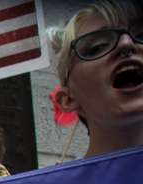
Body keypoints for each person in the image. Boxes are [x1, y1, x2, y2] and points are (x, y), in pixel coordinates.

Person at [49, 0, 143, 157]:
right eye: (98, 46)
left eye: (141, 35)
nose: (126, 43)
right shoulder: (53, 182)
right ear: (68, 99)